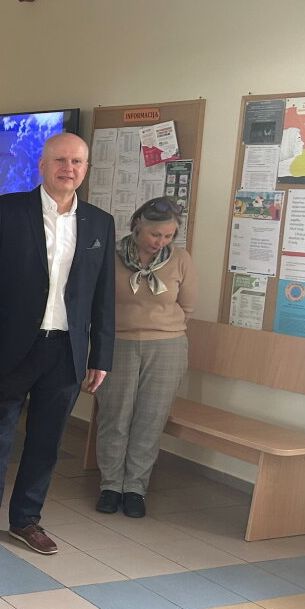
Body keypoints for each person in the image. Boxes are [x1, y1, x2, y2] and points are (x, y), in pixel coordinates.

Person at [0, 132, 115, 566]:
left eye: (77, 162)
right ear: (42, 165)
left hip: (66, 352)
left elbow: (104, 296)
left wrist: (100, 355)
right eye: (60, 160)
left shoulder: (100, 223)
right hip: (9, 348)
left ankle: (26, 520)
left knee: (46, 444)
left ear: (86, 169)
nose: (68, 168)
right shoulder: (6, 211)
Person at [95, 197, 196, 518]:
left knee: (150, 420)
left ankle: (135, 489)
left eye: (168, 236)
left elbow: (188, 307)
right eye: (155, 234)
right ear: (138, 225)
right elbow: (97, 302)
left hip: (167, 347)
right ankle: (111, 485)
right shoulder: (110, 255)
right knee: (115, 418)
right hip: (118, 344)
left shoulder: (180, 259)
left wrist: (160, 326)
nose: (160, 242)